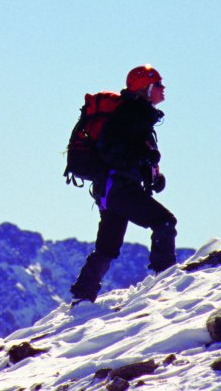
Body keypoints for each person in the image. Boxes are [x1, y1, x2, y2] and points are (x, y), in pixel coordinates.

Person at [70, 65, 178, 304]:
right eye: (158, 84)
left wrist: (152, 176)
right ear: (145, 88)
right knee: (164, 222)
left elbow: (127, 150)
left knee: (108, 247)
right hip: (117, 187)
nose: (163, 88)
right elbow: (111, 148)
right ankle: (167, 278)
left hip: (110, 188)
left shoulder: (137, 114)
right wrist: (141, 160)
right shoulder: (132, 114)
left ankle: (82, 297)